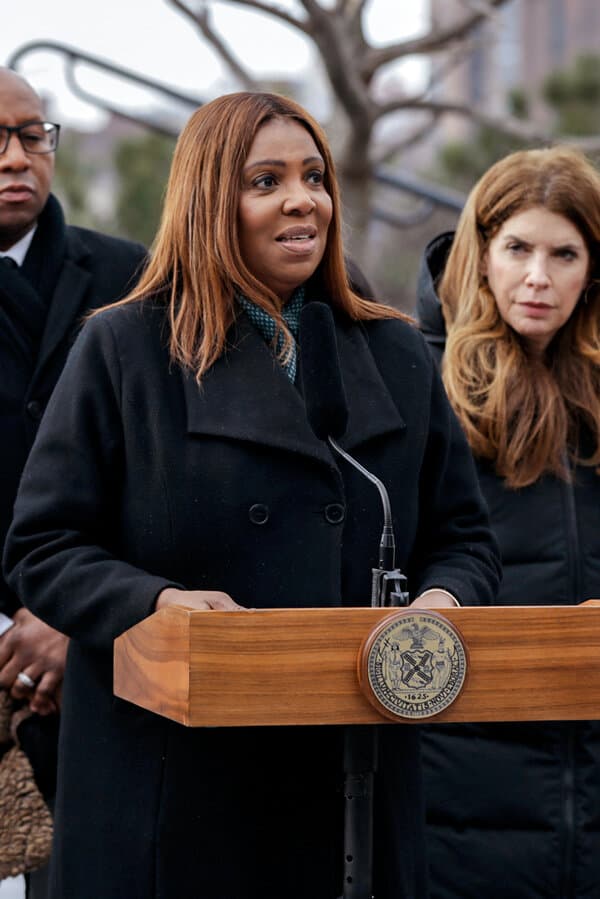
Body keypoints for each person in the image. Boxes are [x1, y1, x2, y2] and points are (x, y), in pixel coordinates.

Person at [4, 91, 500, 899]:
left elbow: (466, 538)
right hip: (171, 793)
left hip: (353, 788)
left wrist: (443, 599)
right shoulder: (125, 347)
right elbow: (43, 546)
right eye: (265, 180)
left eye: (313, 176)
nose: (302, 198)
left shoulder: (397, 351)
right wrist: (157, 602)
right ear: (209, 202)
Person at [416, 145, 600, 899]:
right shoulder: (416, 378)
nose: (538, 277)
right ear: (480, 251)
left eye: (565, 254)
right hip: (461, 768)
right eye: (518, 247)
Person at [0, 66, 146, 893]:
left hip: (95, 648)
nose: (18, 157)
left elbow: (162, 467)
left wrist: (68, 613)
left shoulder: (130, 274)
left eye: (32, 135)